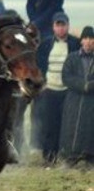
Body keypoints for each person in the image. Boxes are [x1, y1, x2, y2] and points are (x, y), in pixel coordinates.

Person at [34, 12, 80, 165]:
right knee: (49, 124)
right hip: (50, 90)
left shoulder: (76, 43)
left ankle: (65, 155)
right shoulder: (45, 44)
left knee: (67, 124)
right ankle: (49, 156)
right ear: (53, 27)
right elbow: (38, 65)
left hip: (68, 91)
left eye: (63, 25)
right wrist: (43, 83)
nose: (61, 29)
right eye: (58, 25)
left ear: (68, 25)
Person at [58, 25, 94, 167]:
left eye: (92, 38)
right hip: (74, 98)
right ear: (81, 41)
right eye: (86, 38)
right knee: (71, 126)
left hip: (92, 101)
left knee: (90, 127)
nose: (89, 41)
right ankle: (70, 157)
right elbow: (66, 77)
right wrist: (83, 86)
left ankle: (90, 158)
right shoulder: (72, 58)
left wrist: (90, 86)